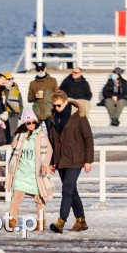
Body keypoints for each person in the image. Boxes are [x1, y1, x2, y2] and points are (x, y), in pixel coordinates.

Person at [47, 90, 94, 233]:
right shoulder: (54, 119)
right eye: (55, 105)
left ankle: (61, 221)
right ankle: (81, 221)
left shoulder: (79, 116)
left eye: (59, 105)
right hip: (61, 160)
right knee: (72, 191)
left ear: (66, 102)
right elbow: (52, 142)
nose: (56, 108)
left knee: (66, 190)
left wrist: (88, 160)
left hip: (76, 159)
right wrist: (51, 162)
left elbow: (88, 139)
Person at [6, 109, 53, 231]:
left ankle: (41, 223)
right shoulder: (19, 136)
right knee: (16, 197)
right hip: (21, 172)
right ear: (24, 123)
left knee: (39, 199)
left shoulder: (42, 135)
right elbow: (16, 151)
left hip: (35, 173)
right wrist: (14, 144)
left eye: (33, 122)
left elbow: (49, 151)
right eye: (28, 122)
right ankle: (12, 220)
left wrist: (45, 163)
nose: (31, 125)